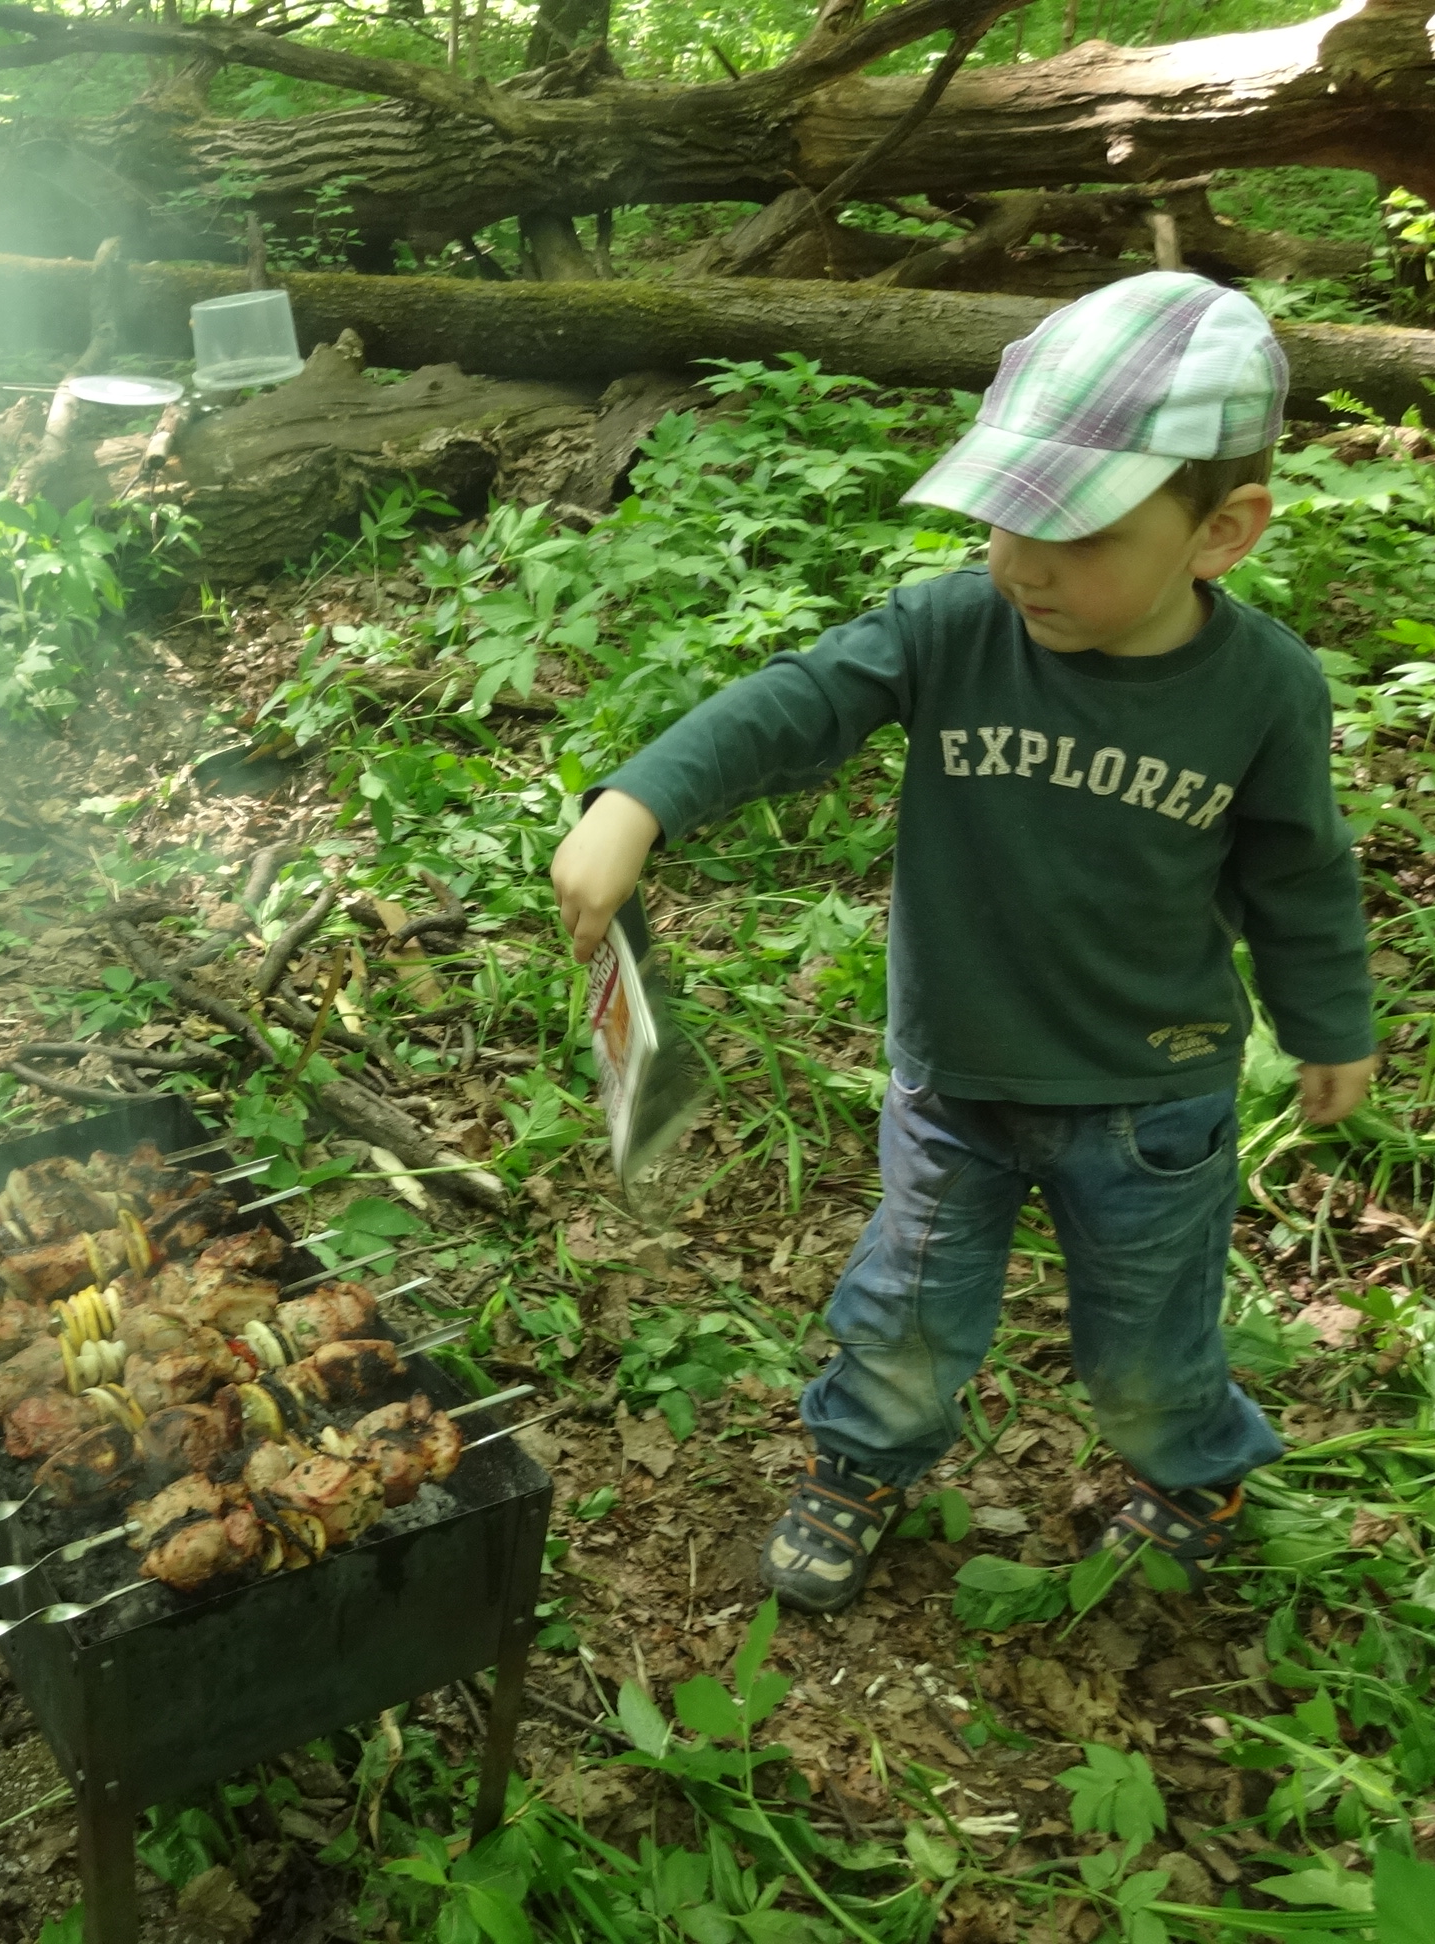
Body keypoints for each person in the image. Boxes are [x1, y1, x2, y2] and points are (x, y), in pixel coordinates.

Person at [549, 272, 1377, 1614]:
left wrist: (1328, 1020)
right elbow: (796, 702)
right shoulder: (950, 632)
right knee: (907, 1314)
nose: (1022, 562)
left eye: (1078, 529)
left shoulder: (1264, 691)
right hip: (954, 1085)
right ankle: (861, 1461)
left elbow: (1300, 872)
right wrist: (637, 800)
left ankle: (1193, 1470)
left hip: (1152, 1097)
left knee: (1147, 1346)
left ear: (1221, 531)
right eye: (1007, 514)